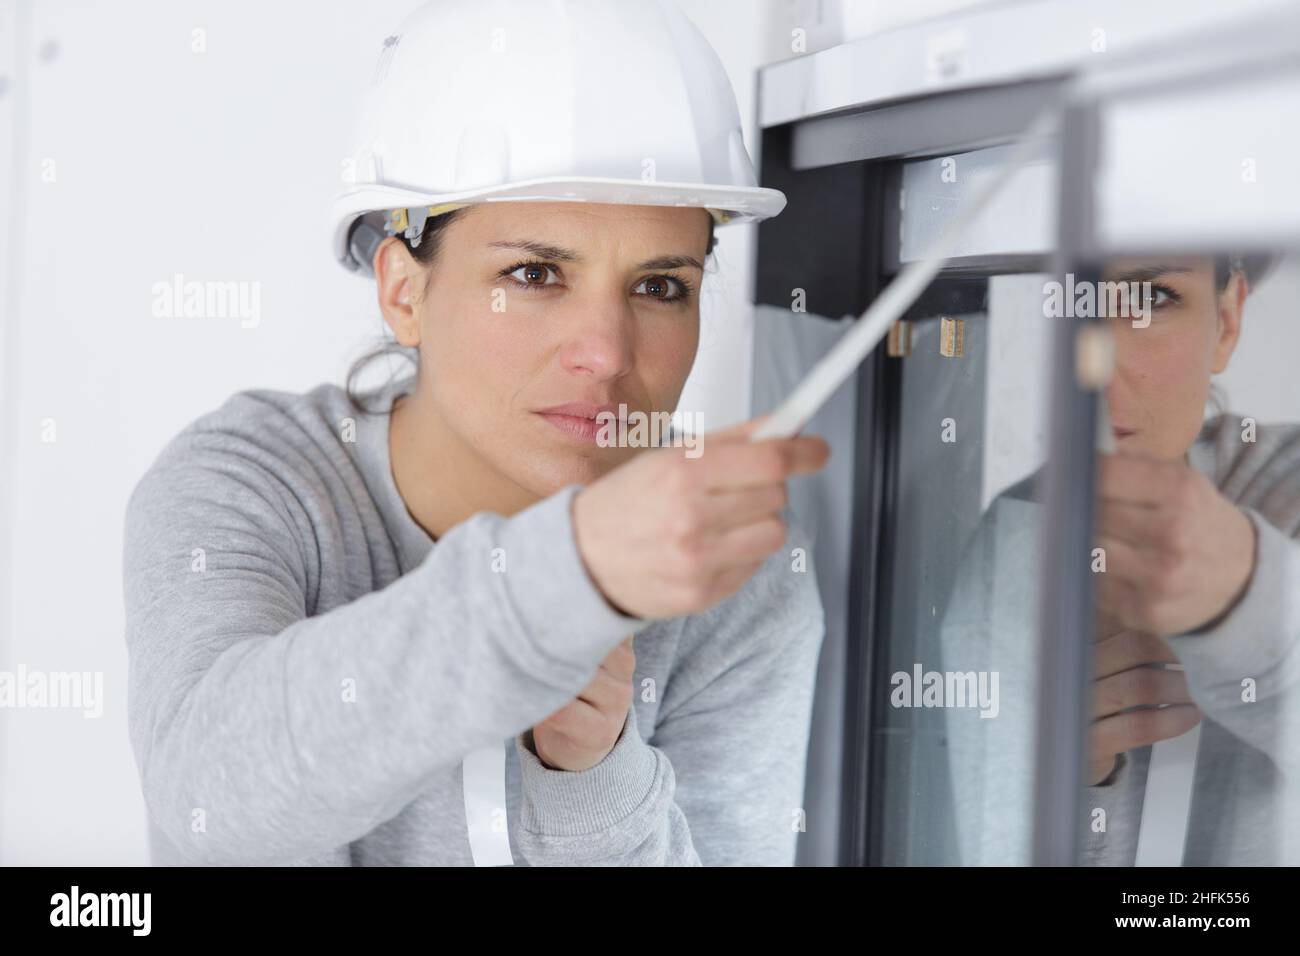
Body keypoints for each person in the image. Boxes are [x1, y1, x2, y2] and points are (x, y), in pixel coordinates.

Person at [122, 0, 830, 866]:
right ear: (403, 291)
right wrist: (557, 584)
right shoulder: (254, 481)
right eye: (534, 274)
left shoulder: (730, 573)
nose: (605, 353)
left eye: (660, 287)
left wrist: (596, 777)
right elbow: (209, 802)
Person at [938, 253, 1300, 865]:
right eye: (1071, 302)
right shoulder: (1019, 546)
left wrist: (1245, 600)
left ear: (1228, 321)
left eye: (1153, 299)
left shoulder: (1287, 488)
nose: (1102, 366)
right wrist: (1080, 783)